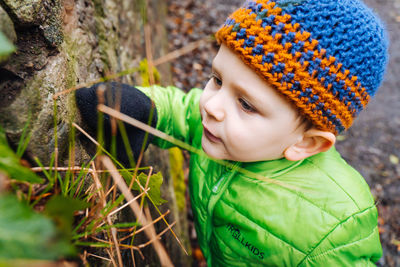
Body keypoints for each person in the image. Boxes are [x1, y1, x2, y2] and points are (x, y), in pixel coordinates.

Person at [76, 0, 389, 265]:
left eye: (247, 105)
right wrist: (149, 110)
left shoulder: (332, 233)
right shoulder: (224, 132)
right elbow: (186, 113)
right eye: (217, 79)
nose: (211, 105)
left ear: (306, 142)